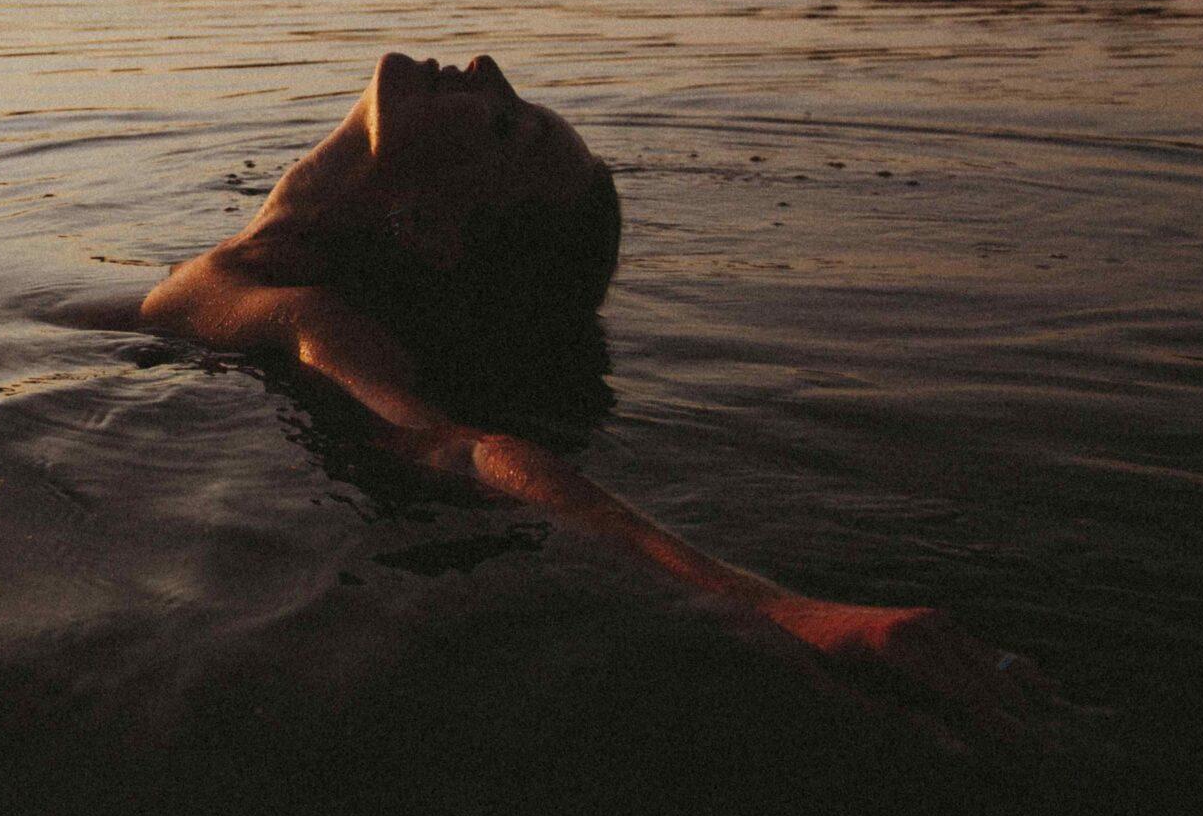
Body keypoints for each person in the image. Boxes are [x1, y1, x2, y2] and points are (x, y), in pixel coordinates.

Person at [131, 51, 1054, 738]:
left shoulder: (300, 316)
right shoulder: (229, 274)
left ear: (428, 225)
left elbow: (447, 443)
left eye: (506, 125)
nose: (489, 69)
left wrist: (775, 605)